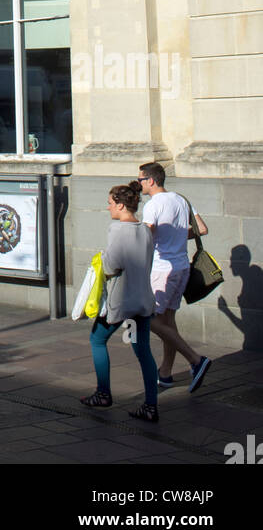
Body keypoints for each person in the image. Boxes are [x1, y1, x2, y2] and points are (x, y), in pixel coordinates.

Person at [81, 180, 160, 422]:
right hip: (143, 299)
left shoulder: (117, 229)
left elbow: (111, 265)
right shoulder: (144, 229)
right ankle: (150, 405)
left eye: (109, 204)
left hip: (121, 300)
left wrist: (101, 259)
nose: (108, 208)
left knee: (97, 339)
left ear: (120, 205)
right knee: (143, 351)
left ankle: (103, 392)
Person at [138, 161, 211, 392]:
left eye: (140, 180)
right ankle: (166, 372)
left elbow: (146, 237)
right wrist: (176, 236)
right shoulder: (181, 199)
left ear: (150, 180)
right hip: (182, 268)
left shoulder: (153, 205)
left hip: (162, 269)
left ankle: (196, 360)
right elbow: (202, 228)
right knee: (168, 321)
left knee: (149, 318)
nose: (139, 184)